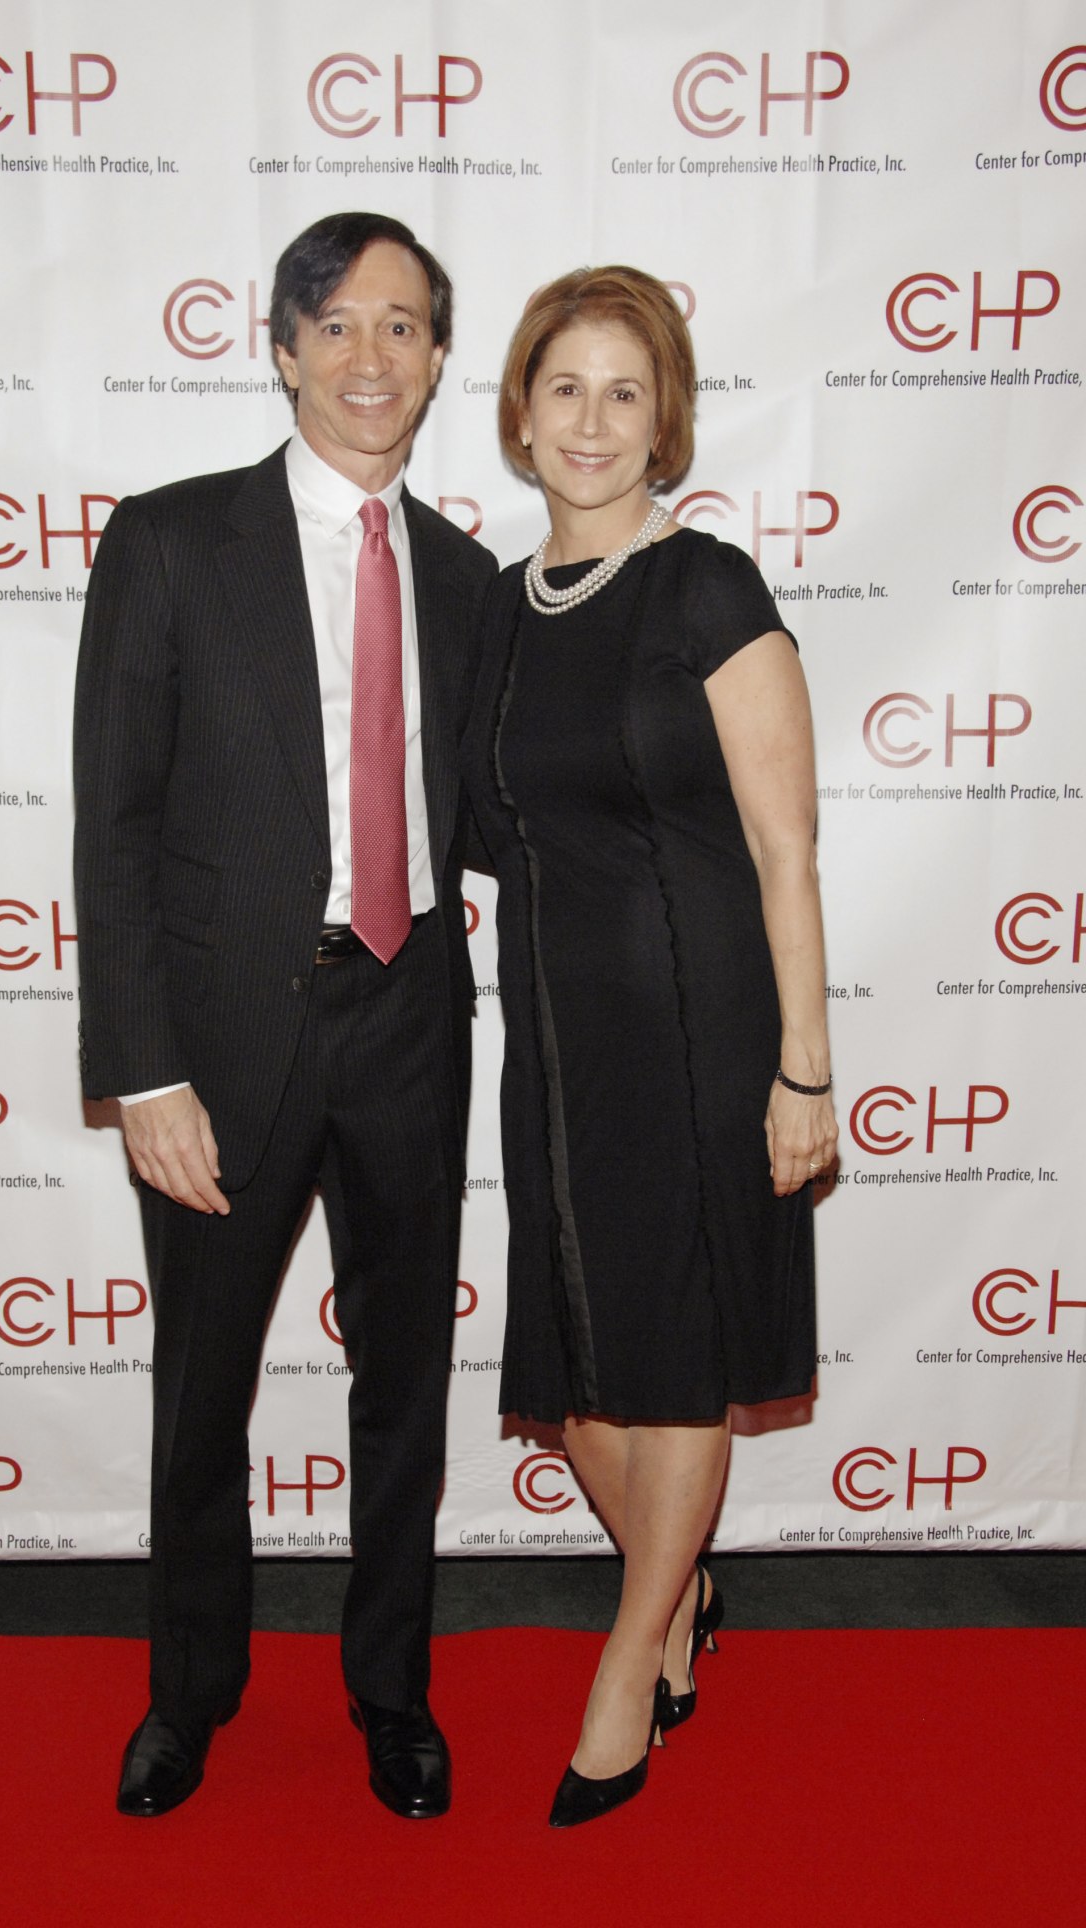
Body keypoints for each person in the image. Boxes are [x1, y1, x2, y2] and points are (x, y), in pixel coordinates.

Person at [73, 211, 495, 1821]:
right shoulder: (173, 540)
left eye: (402, 327)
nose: (370, 358)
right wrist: (140, 1068)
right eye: (337, 325)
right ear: (282, 346)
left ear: (439, 359)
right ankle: (191, 1694)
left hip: (409, 1019)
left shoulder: (465, 578)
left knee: (405, 1384)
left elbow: (493, 813)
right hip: (222, 1038)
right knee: (202, 1389)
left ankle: (393, 1690)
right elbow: (111, 823)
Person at [463, 267, 838, 1827]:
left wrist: (805, 1066)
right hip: (555, 1034)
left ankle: (632, 1665)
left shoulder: (710, 589)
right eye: (566, 389)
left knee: (674, 1359)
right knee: (584, 1376)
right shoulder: (495, 606)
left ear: (665, 416)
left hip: (702, 1023)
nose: (594, 421)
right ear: (522, 415)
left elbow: (785, 848)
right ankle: (678, 1595)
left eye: (627, 391)